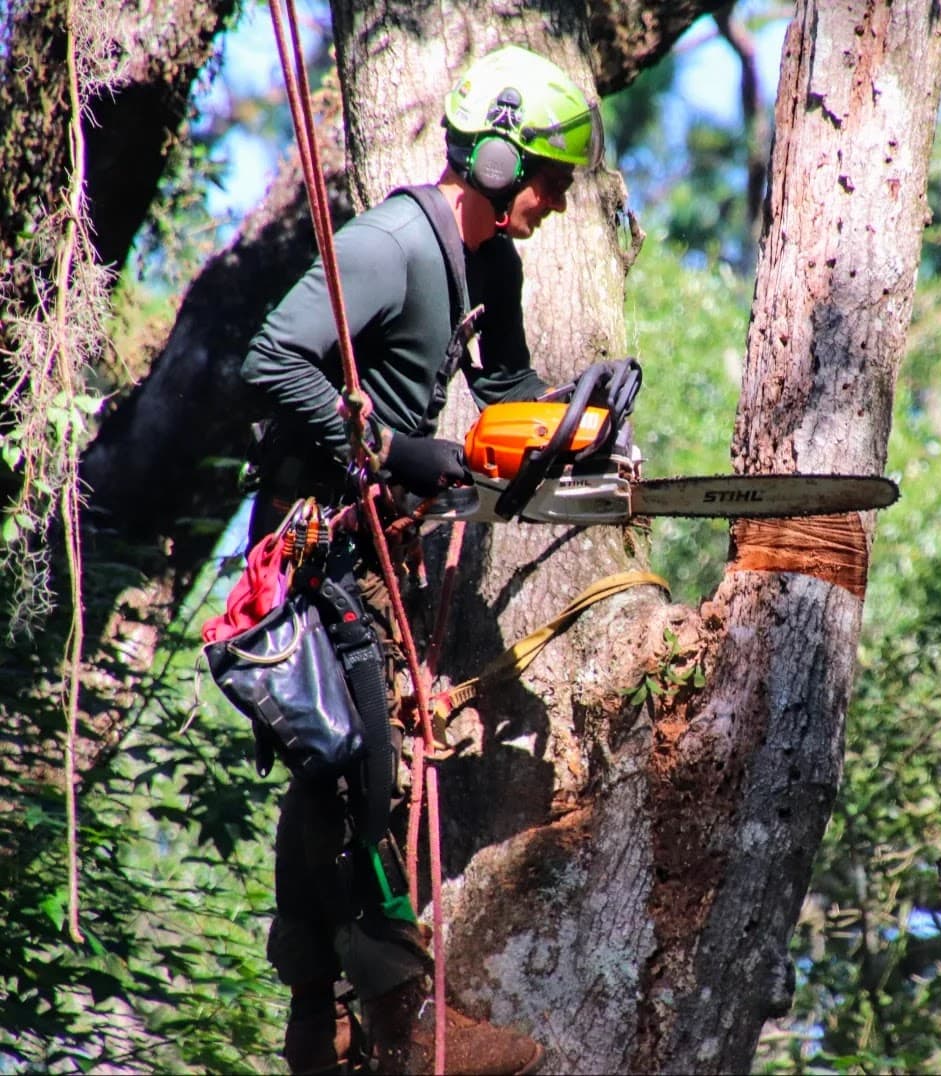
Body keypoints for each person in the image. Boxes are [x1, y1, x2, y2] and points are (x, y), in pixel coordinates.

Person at [239, 44, 604, 1076]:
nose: (557, 202)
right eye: (550, 179)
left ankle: (317, 1014)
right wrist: (396, 451)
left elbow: (509, 384)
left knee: (334, 761)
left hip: (372, 539)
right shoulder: (392, 243)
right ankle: (401, 1006)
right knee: (354, 760)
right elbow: (271, 357)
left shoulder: (489, 261)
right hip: (309, 533)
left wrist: (564, 434)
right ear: (498, 164)